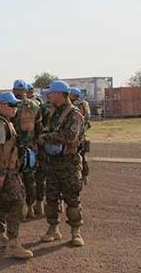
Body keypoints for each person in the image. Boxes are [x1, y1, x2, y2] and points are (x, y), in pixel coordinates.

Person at [38, 80, 85, 247]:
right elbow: (46, 130)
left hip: (69, 163)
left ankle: (75, 232)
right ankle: (53, 229)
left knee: (72, 198)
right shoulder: (53, 113)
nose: (49, 95)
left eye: (51, 93)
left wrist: (47, 137)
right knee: (51, 198)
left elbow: (70, 137)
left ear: (59, 94)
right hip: (52, 162)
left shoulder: (74, 114)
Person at [0, 92, 34, 259]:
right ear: (1, 105)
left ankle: (0, 236)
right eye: (12, 105)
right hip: (6, 172)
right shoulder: (1, 124)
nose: (15, 108)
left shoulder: (5, 122)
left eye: (16, 105)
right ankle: (13, 243)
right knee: (19, 204)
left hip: (7, 170)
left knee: (4, 202)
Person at [12, 79, 43, 219]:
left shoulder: (12, 105)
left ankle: (21, 209)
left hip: (14, 148)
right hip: (30, 148)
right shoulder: (35, 105)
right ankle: (31, 207)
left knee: (15, 178)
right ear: (26, 90)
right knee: (30, 178)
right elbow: (39, 127)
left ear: (14, 90)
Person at [70, 87, 91, 185]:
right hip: (83, 135)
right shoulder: (84, 104)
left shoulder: (77, 106)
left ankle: (80, 177)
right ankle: (85, 176)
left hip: (78, 136)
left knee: (77, 157)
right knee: (83, 156)